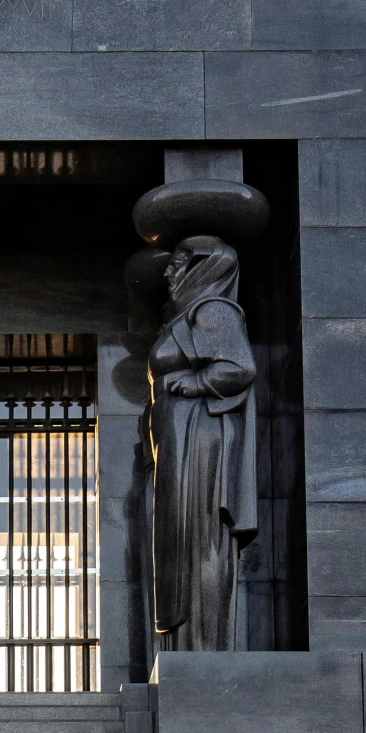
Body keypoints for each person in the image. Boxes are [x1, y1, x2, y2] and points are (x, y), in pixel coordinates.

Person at [145, 232, 258, 651]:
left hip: (198, 438)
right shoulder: (186, 316)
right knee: (181, 542)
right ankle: (187, 644)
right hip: (179, 439)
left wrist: (193, 383)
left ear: (205, 266)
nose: (170, 271)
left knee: (200, 539)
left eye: (180, 261)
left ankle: (204, 647)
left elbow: (238, 368)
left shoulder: (212, 309)